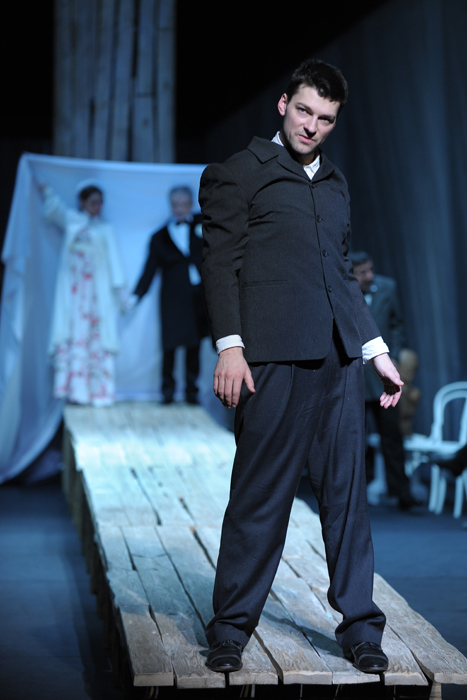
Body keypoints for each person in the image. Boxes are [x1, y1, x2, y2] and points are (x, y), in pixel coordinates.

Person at [199, 58, 404, 676]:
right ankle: (231, 627)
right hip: (271, 361)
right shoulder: (239, 173)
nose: (312, 126)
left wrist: (375, 351)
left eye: (326, 119)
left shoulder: (335, 184)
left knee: (346, 500)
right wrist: (229, 346)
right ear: (284, 105)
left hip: (338, 363)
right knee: (259, 496)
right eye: (305, 111)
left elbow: (341, 275)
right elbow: (220, 264)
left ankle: (361, 627)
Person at [39, 182, 126, 406]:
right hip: (75, 294)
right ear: (82, 202)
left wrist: (121, 292)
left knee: (98, 337)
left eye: (100, 202)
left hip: (97, 294)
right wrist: (46, 189)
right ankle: (77, 391)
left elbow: (114, 261)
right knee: (75, 334)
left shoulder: (105, 229)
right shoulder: (73, 221)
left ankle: (100, 392)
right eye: (93, 202)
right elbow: (56, 209)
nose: (97, 207)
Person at [349, 252, 420, 510]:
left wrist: (395, 356)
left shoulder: (386, 288)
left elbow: (397, 324)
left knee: (392, 434)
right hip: (354, 376)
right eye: (363, 272)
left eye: (371, 270)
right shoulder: (343, 291)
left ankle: (401, 492)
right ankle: (357, 494)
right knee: (356, 437)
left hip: (383, 375)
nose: (369, 276)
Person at [128, 186, 208, 404]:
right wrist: (136, 295)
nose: (179, 209)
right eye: (175, 204)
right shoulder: (159, 237)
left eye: (184, 204)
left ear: (191, 205)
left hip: (196, 297)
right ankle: (167, 391)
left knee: (194, 345)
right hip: (172, 298)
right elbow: (149, 270)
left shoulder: (203, 225)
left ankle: (192, 391)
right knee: (170, 345)